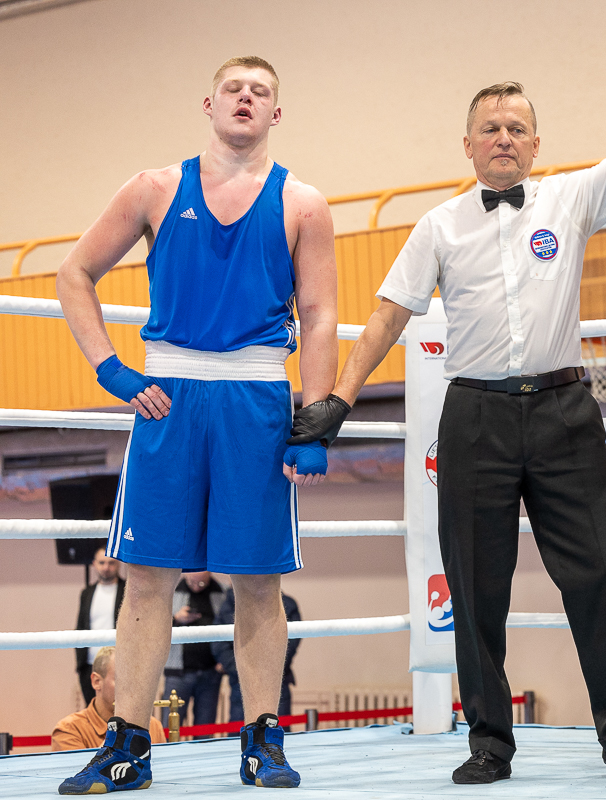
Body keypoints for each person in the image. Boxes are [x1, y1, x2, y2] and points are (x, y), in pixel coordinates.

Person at [285, 7, 606, 783]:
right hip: (477, 418)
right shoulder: (438, 225)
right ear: (467, 144)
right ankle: (490, 740)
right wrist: (340, 400)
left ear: (534, 142)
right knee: (476, 587)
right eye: (489, 127)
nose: (502, 137)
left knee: (597, 574)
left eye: (516, 127)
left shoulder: (570, 198)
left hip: (564, 412)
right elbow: (388, 314)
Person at [55, 55, 338, 793]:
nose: (247, 99)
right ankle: (128, 745)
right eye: (235, 89)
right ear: (209, 103)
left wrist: (314, 419)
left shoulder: (302, 203)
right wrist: (110, 368)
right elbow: (73, 272)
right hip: (168, 395)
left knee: (257, 580)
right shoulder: (154, 188)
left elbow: (320, 314)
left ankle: (262, 742)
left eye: (262, 92)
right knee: (147, 580)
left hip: (255, 399)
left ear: (276, 113)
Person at [213, 588, 302, 722]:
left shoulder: (288, 604)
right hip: (240, 680)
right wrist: (241, 668)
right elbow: (219, 641)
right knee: (238, 732)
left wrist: (269, 668)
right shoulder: (228, 604)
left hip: (278, 678)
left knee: (279, 728)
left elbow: (291, 642)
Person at [53, 648, 167, 751]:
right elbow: (81, 773)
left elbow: (164, 772)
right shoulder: (69, 729)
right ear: (96, 682)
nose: (130, 687)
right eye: (121, 679)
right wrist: (119, 729)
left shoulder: (153, 726)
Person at [162, 572, 225, 735]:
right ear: (186, 575)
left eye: (202, 584)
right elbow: (154, 627)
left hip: (210, 672)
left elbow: (229, 626)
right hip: (177, 672)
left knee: (205, 731)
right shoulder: (170, 590)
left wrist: (224, 660)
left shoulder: (221, 592)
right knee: (170, 729)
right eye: (192, 582)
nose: (197, 587)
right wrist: (176, 619)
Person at [75, 547, 125, 704]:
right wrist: (80, 664)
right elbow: (80, 626)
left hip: (120, 662)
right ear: (94, 564)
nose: (106, 567)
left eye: (111, 563)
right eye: (102, 562)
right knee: (91, 713)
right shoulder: (87, 592)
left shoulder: (129, 590)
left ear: (118, 564)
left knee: (121, 713)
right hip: (90, 664)